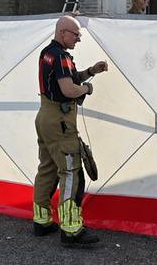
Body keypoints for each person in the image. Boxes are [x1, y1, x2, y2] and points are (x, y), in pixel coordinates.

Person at [33, 15, 109, 248]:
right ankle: (71, 228)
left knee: (47, 168)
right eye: (76, 35)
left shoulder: (47, 53)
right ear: (63, 32)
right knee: (71, 172)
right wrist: (87, 88)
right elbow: (68, 89)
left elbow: (64, 79)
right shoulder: (62, 56)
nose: (78, 39)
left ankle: (42, 220)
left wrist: (90, 71)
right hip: (60, 121)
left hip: (45, 117)